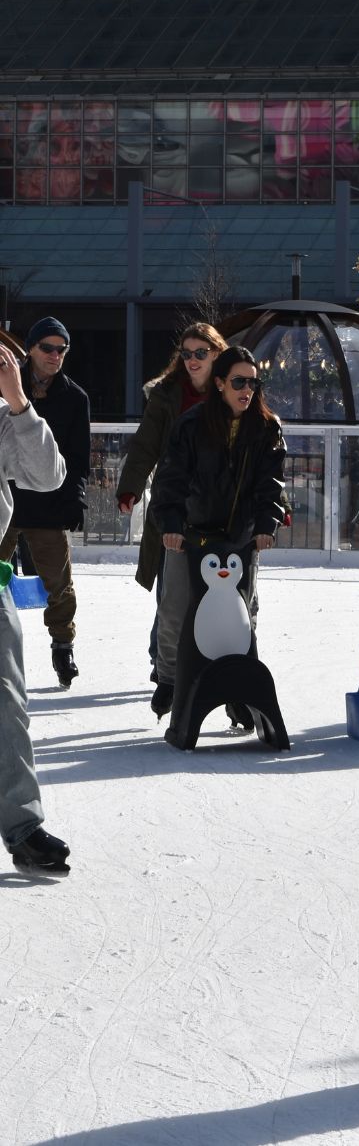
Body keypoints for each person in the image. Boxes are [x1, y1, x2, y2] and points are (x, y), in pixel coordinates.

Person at [148, 345, 287, 719]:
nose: (248, 390)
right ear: (221, 383)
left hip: (240, 536)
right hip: (192, 533)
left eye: (254, 383)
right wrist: (172, 526)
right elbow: (171, 480)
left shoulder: (266, 428)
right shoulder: (191, 424)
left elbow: (270, 485)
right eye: (239, 381)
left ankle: (238, 690)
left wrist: (264, 526)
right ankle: (171, 680)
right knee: (177, 606)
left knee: (241, 613)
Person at [115, 323, 227, 678]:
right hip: (174, 501)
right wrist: (130, 488)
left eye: (201, 353)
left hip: (218, 503)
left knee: (214, 583)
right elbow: (146, 443)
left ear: (217, 354)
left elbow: (257, 448)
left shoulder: (231, 390)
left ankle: (221, 661)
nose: (192, 360)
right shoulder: (166, 394)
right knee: (172, 586)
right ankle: (161, 658)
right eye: (187, 353)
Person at [0, 338, 71, 872]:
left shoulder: (5, 415)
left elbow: (47, 477)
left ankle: (23, 825)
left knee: (8, 705)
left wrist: (21, 405)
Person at [0, 317, 90, 689]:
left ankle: (62, 643)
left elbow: (77, 457)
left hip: (49, 506)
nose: (55, 356)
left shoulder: (73, 397)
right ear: (31, 349)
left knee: (59, 582)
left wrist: (76, 500)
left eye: (61, 349)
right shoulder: (6, 383)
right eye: (47, 348)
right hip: (8, 505)